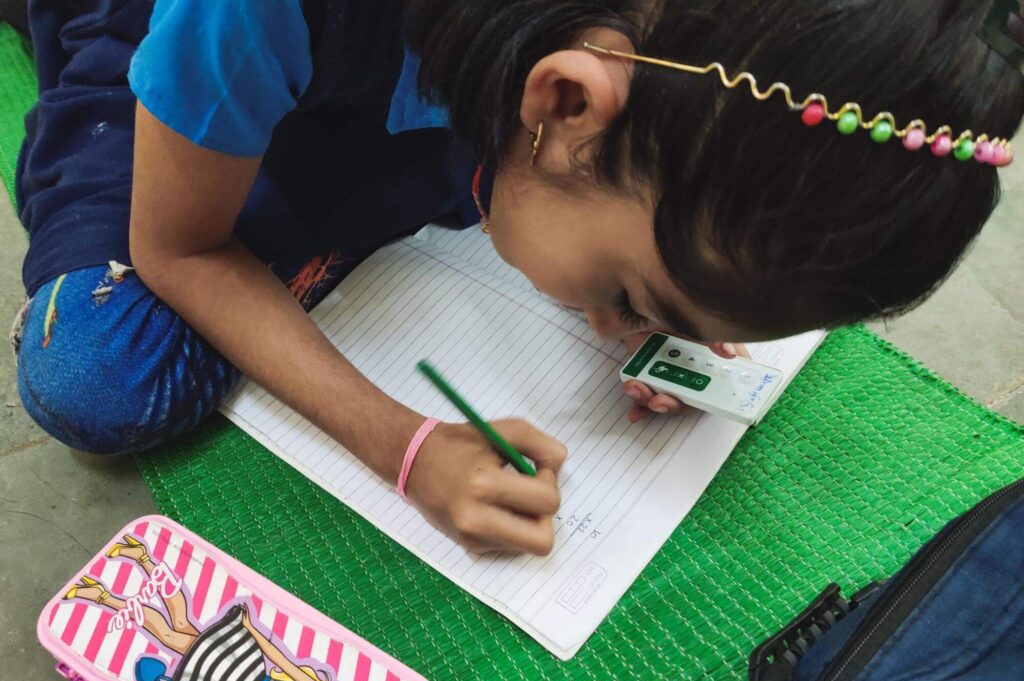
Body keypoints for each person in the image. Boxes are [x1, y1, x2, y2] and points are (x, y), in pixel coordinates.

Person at [12, 1, 1024, 556]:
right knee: (96, 369)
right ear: (567, 102)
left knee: (455, 200)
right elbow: (179, 248)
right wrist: (402, 446)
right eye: (638, 292)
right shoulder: (254, 11)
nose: (622, 318)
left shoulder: (646, 74)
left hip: (437, 94)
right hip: (166, 33)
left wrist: (617, 302)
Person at [65, 535, 371, 681]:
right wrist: (249, 629)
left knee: (180, 625)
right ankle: (107, 591)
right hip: (243, 661)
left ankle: (134, 565)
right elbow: (280, 659)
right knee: (173, 635)